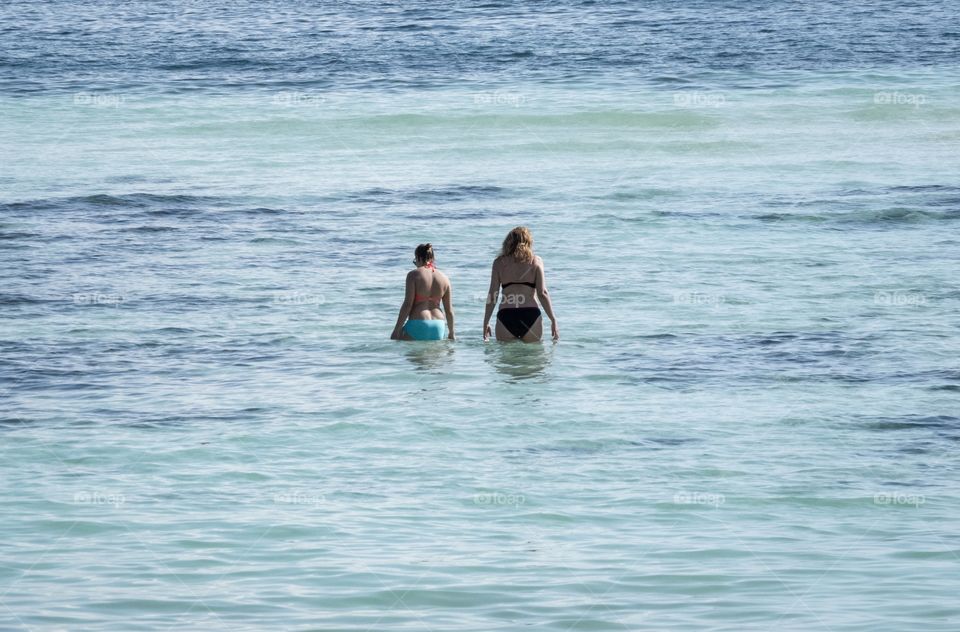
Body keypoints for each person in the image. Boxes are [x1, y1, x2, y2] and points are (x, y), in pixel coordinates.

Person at [483, 227, 558, 342]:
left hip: (506, 315)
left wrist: (486, 322)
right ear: (528, 242)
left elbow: (492, 295)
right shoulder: (536, 262)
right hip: (531, 316)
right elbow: (542, 293)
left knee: (506, 359)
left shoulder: (499, 263)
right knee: (532, 358)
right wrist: (553, 319)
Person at [391, 243, 455, 341]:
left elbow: (407, 305)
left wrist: (396, 330)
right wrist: (451, 333)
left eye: (415, 261)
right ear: (432, 259)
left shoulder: (413, 275)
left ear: (418, 258)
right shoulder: (445, 278)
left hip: (418, 323)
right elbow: (449, 311)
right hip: (438, 326)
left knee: (410, 353)